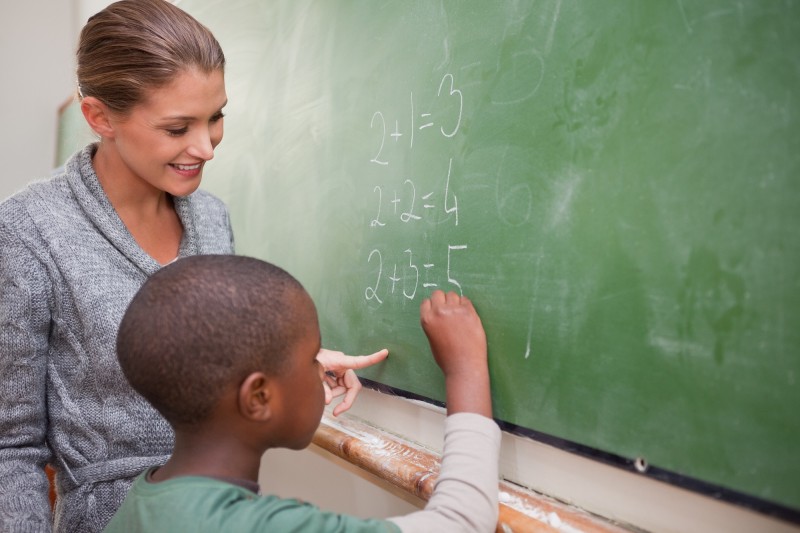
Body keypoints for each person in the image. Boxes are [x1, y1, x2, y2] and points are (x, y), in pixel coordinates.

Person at [0, 1, 386, 531]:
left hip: (223, 514)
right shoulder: (28, 232)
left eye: (216, 117)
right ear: (99, 117)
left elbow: (207, 366)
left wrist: (295, 363)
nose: (205, 147)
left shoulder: (211, 217)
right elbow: (9, 446)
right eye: (178, 127)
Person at [105, 255, 500, 532]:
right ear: (258, 397)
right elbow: (461, 523)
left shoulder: (142, 503)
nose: (322, 367)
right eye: (313, 357)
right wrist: (465, 368)